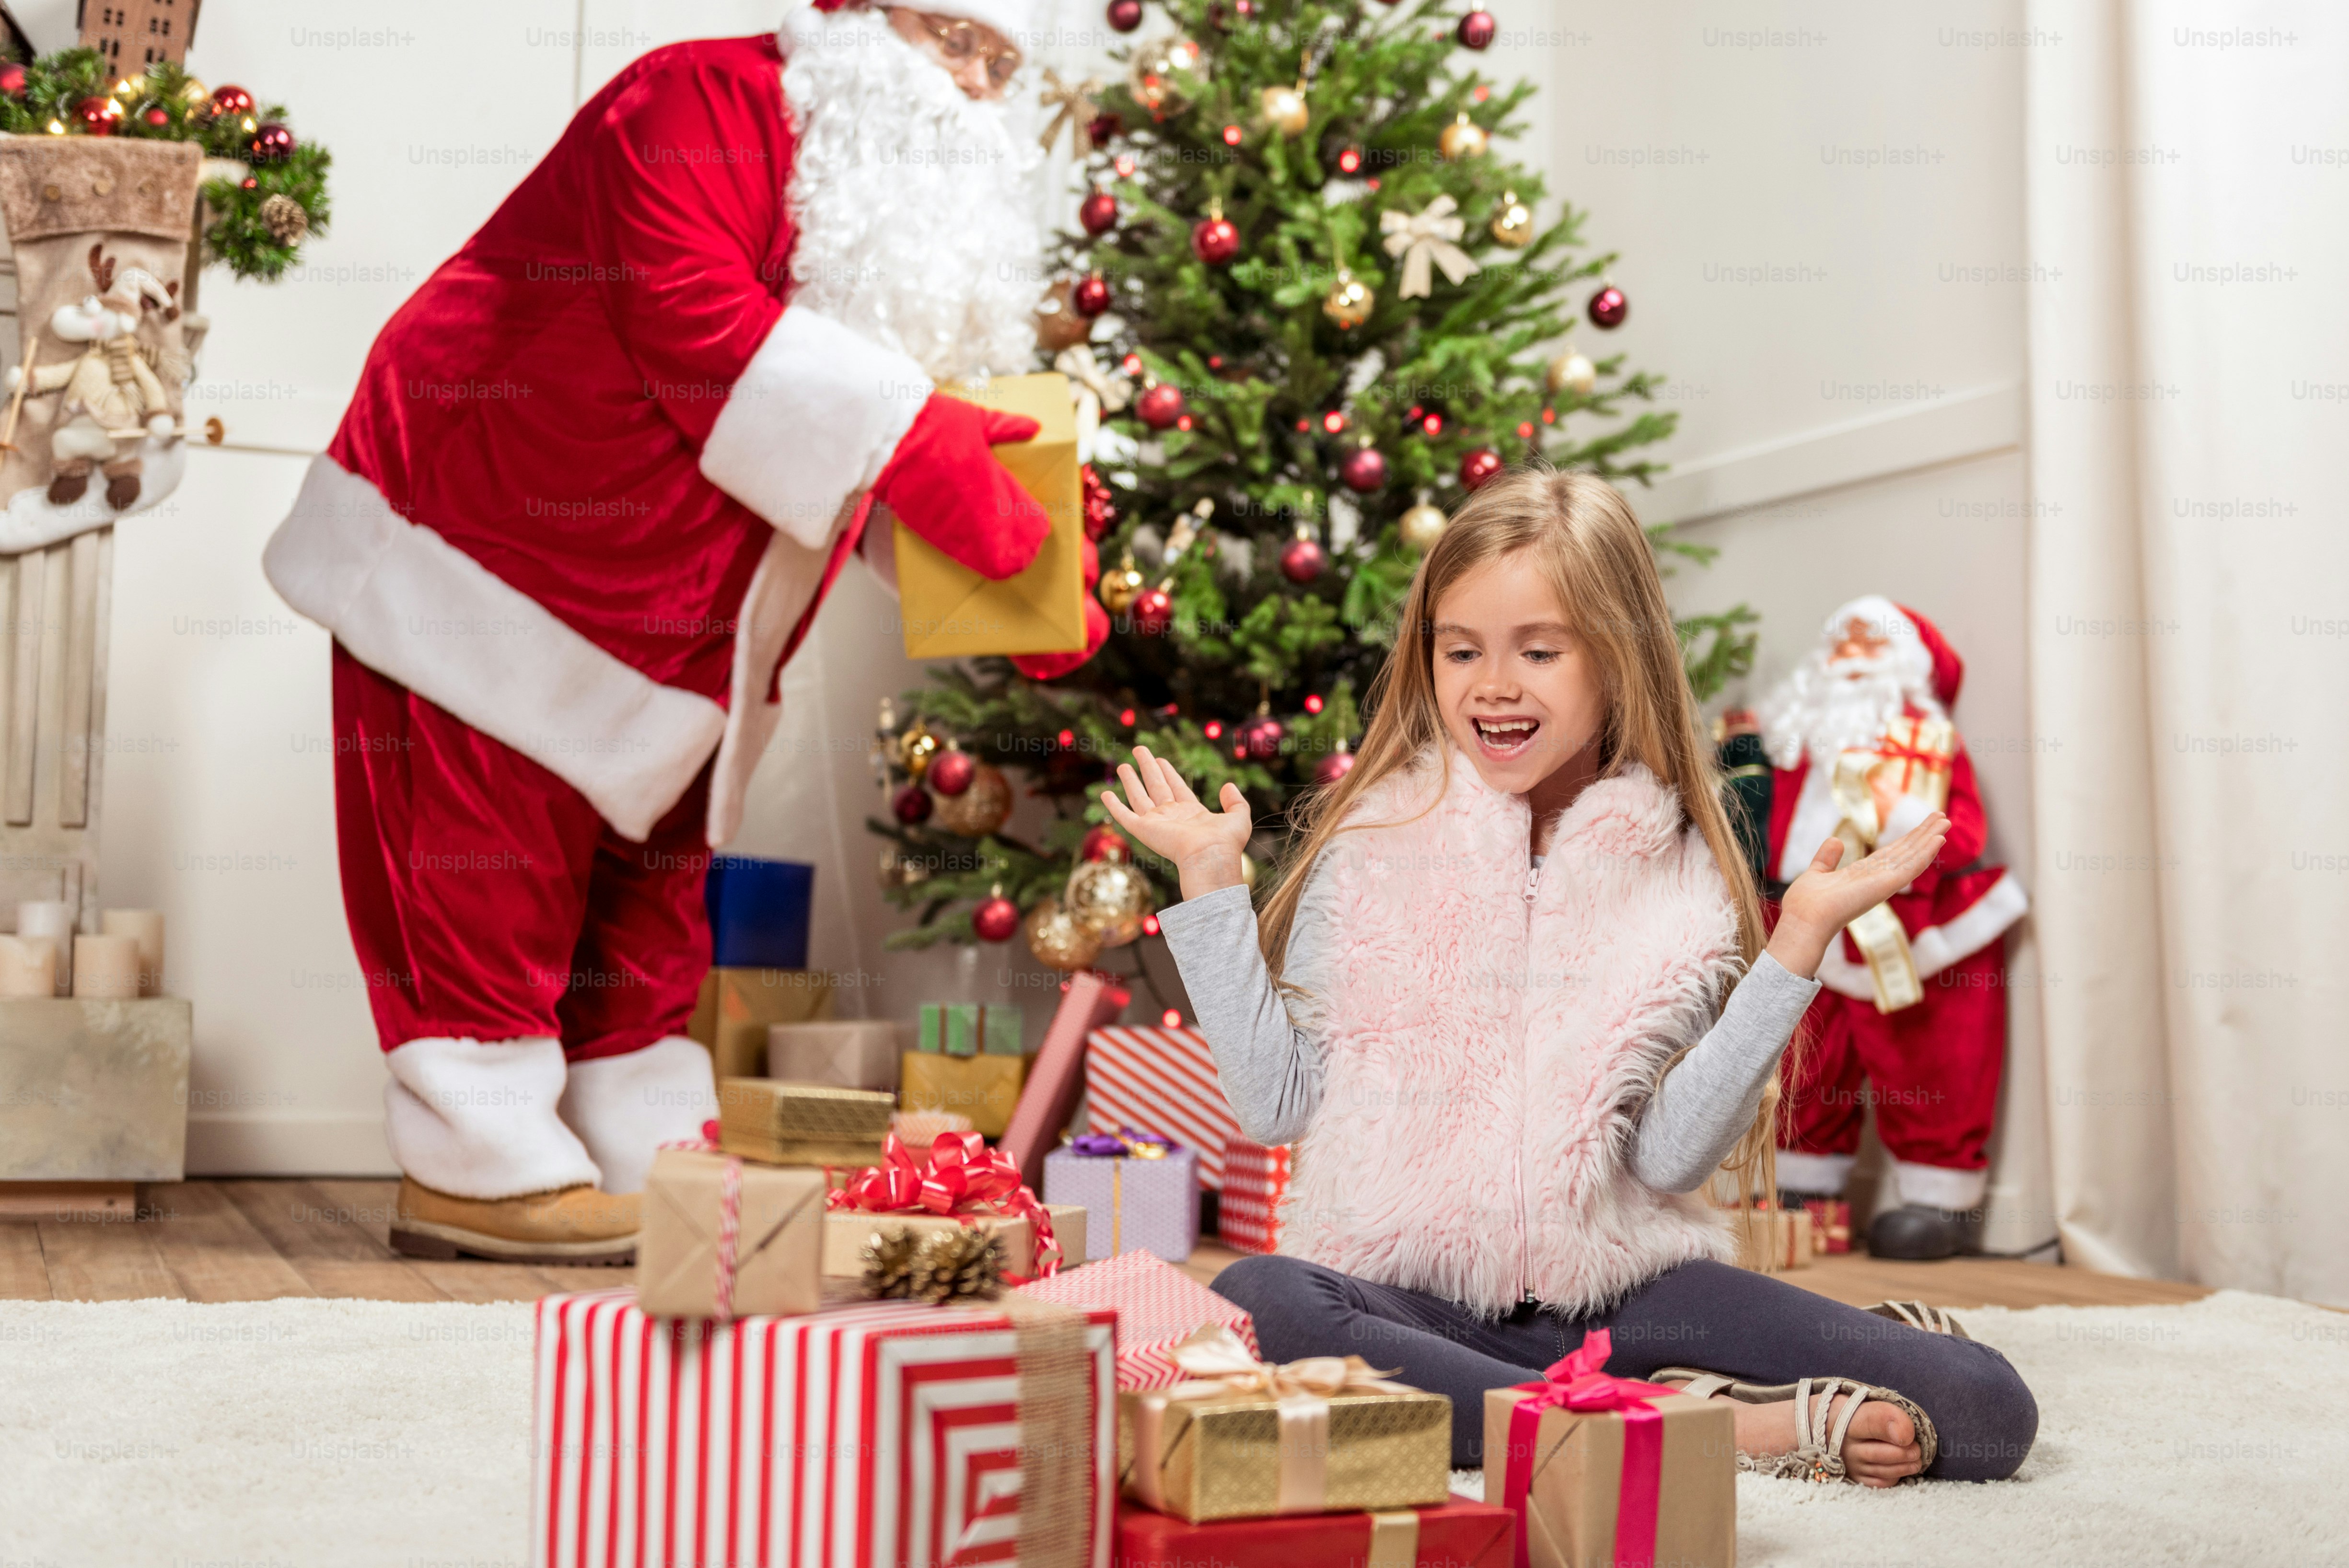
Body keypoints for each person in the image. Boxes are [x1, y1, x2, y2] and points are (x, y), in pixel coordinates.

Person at [262, 0, 1092, 1263]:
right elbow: (692, 316)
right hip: (490, 536)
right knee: (483, 864)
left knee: (646, 894)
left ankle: (645, 1145)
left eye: (1000, 62)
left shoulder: (879, 209)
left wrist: (1011, 569)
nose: (975, 85)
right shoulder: (695, 99)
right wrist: (924, 451)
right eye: (953, 40)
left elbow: (858, 443)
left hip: (687, 625)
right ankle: (478, 1164)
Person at [1102, 468, 2036, 1485]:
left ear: (1616, 657)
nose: (1492, 685)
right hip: (1404, 1303)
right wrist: (1208, 884)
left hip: (1625, 1296)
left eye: (1538, 652)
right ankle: (1694, 1426)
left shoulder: (1680, 875)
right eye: (1461, 650)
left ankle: (1606, 1400)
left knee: (1983, 1410)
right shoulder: (1369, 848)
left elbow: (1669, 1159)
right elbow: (1275, 1102)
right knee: (1261, 1304)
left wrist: (1796, 942)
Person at [1729, 599, 2028, 1260]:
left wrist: (1898, 813)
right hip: (1810, 920)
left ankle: (1939, 1199)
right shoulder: (1796, 747)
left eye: (1871, 645)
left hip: (1908, 925)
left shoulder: (1930, 746)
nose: (1851, 658)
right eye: (1842, 643)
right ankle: (1805, 1186)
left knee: (1925, 1056)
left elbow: (1962, 834)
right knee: (1805, 1060)